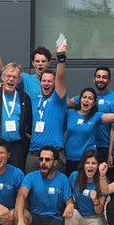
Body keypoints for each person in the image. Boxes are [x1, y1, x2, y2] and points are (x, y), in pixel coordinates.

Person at [15, 146, 73, 225]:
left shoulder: (62, 179)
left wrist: (70, 205)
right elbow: (21, 196)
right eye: (41, 159)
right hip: (34, 217)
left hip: (53, 219)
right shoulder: (31, 176)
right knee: (19, 212)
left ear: (55, 163)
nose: (43, 162)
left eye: (47, 160)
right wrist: (20, 219)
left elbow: (69, 200)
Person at [27, 43, 68, 172]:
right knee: (31, 183)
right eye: (44, 81)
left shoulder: (59, 99)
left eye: (50, 81)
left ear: (54, 84)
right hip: (34, 154)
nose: (46, 83)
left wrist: (61, 57)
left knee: (55, 184)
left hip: (54, 154)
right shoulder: (34, 101)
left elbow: (60, 77)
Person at [0, 62, 33, 170]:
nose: (11, 79)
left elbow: (29, 121)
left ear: (19, 80)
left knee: (16, 175)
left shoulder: (25, 98)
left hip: (17, 147)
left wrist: (27, 134)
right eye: (8, 76)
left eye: (15, 77)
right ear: (2, 77)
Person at [64, 88, 114, 175]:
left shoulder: (96, 116)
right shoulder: (70, 113)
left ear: (94, 103)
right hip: (69, 158)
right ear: (80, 100)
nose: (86, 100)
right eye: (84, 97)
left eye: (90, 98)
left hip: (88, 161)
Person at [65, 149, 109, 225]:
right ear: (83, 165)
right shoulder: (74, 176)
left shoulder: (102, 181)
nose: (90, 166)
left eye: (94, 163)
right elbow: (67, 194)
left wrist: (96, 200)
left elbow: (99, 210)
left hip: (95, 218)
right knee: (72, 212)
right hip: (79, 218)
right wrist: (71, 203)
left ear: (98, 166)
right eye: (87, 163)